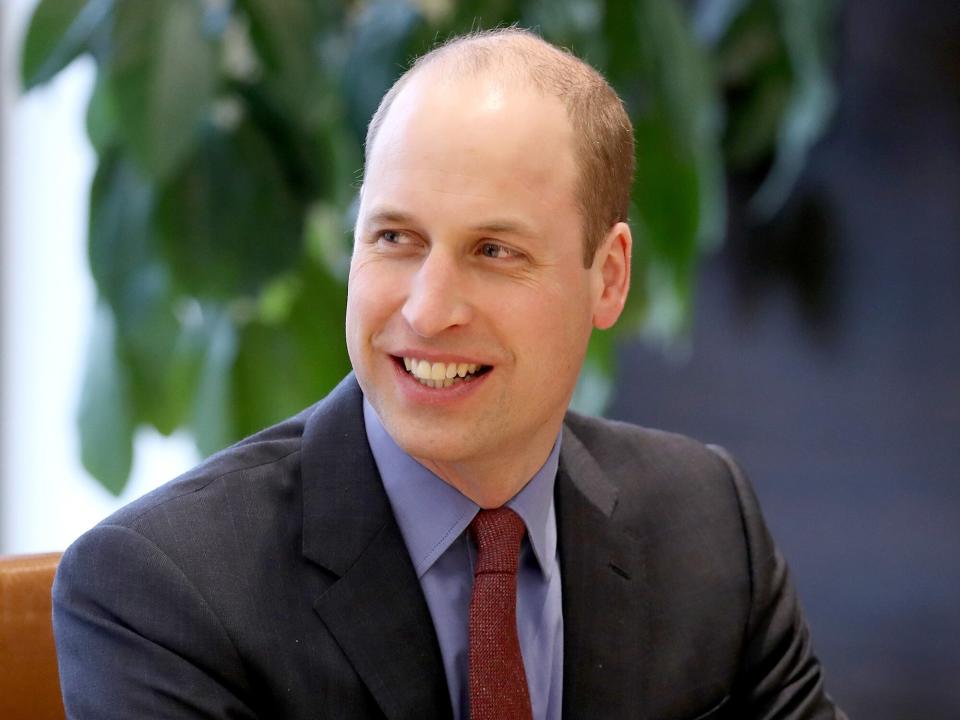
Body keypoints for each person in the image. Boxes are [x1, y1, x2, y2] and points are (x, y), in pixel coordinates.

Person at [53, 28, 846, 720]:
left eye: (494, 252)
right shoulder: (161, 590)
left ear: (607, 278)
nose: (429, 312)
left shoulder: (706, 519)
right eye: (396, 238)